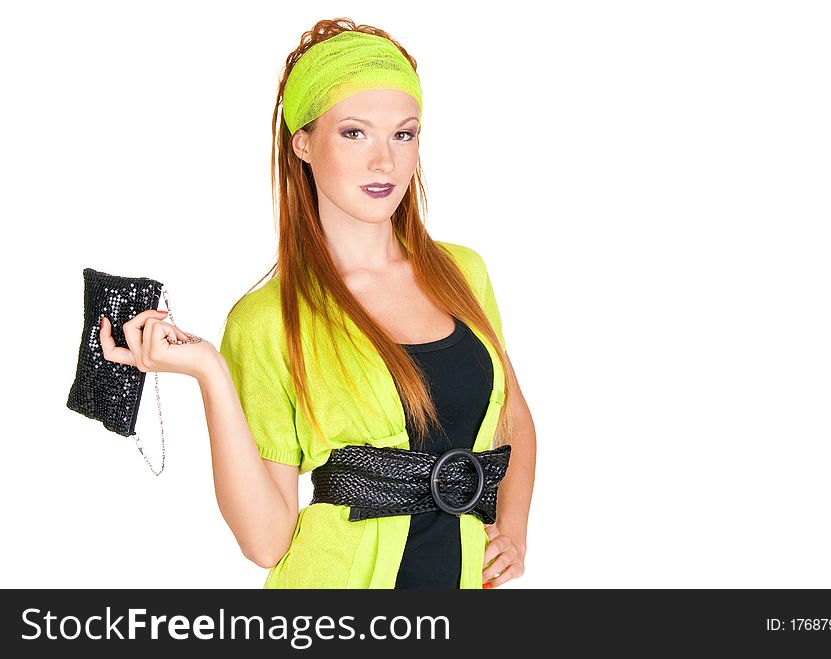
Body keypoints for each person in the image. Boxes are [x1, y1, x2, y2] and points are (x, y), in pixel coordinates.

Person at [98, 17, 536, 589]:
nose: (385, 161)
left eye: (403, 134)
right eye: (354, 132)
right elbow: (265, 541)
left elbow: (512, 417)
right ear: (303, 142)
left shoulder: (462, 272)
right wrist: (210, 373)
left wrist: (514, 530)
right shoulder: (266, 321)